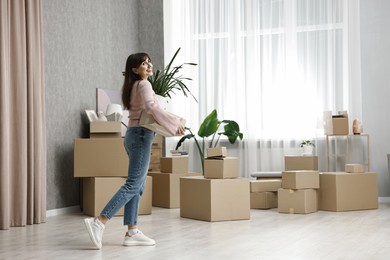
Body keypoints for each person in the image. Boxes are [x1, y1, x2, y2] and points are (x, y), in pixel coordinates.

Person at [84, 52, 185, 249]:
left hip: (132, 135)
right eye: (143, 63)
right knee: (133, 184)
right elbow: (152, 106)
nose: (148, 65)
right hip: (140, 136)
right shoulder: (144, 84)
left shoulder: (133, 86)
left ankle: (132, 231)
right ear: (134, 69)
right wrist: (174, 124)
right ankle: (99, 221)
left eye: (149, 61)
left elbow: (148, 108)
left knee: (137, 186)